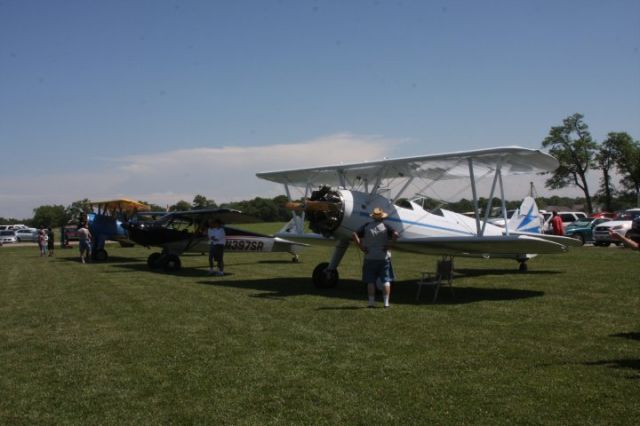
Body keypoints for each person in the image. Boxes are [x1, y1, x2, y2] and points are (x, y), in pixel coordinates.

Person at [352, 207, 399, 308]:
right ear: (382, 217)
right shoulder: (386, 226)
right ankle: (386, 303)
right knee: (386, 280)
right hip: (383, 257)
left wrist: (361, 247)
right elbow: (396, 234)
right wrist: (390, 245)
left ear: (373, 217)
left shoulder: (366, 226)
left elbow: (354, 234)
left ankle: (371, 303)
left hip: (369, 257)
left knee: (370, 281)